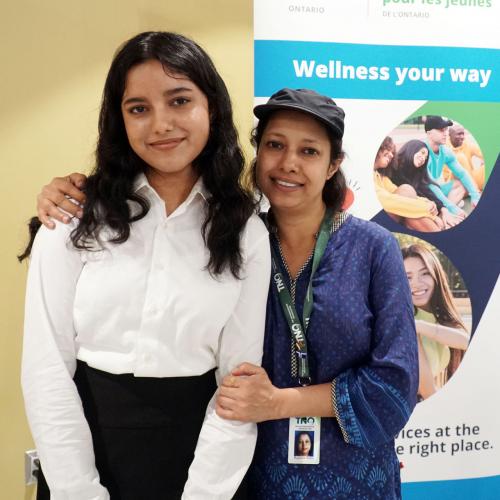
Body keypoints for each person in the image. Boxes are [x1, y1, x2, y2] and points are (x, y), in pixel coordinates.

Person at [34, 89, 419, 499]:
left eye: (309, 151)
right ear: (257, 154)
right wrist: (71, 190)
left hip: (353, 474)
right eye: (274, 145)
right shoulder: (232, 238)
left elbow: (395, 385)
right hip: (255, 473)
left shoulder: (373, 249)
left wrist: (279, 403)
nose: (288, 163)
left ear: (333, 165)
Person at [20, 31, 271, 500]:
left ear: (211, 107)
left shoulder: (243, 231)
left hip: (201, 460)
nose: (161, 124)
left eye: (179, 101)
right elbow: (46, 369)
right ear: (120, 119)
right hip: (82, 453)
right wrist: (79, 491)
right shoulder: (73, 218)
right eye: (138, 108)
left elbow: (238, 384)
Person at [401, 244, 469, 400]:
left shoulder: (434, 318)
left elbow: (465, 340)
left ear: (436, 275)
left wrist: (420, 326)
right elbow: (426, 389)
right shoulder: (401, 318)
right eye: (407, 277)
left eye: (424, 273)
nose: (416, 283)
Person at [373, 136, 444, 231]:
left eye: (392, 152)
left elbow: (394, 190)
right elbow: (387, 200)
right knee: (406, 193)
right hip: (378, 219)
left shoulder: (381, 177)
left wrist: (427, 202)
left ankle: (435, 231)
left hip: (394, 215)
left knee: (407, 191)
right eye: (388, 150)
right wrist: (429, 212)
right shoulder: (370, 175)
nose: (391, 155)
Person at [389, 139, 463, 229]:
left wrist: (444, 209)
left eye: (425, 157)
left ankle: (445, 216)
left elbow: (426, 190)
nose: (423, 158)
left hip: (412, 210)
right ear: (412, 148)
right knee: (408, 190)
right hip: (396, 211)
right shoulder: (392, 165)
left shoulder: (415, 173)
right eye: (422, 153)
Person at [424, 115, 481, 215]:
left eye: (446, 130)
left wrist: (475, 195)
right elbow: (430, 185)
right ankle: (445, 211)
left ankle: (443, 213)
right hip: (420, 194)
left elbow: (462, 174)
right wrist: (452, 208)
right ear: (429, 134)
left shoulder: (445, 151)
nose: (445, 134)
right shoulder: (422, 151)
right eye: (441, 130)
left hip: (434, 190)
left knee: (460, 184)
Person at [447, 123, 485, 190]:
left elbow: (482, 154)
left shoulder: (467, 145)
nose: (462, 137)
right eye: (459, 134)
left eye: (463, 134)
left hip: (471, 180)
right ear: (450, 135)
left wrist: (483, 161)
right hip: (455, 183)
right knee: (460, 157)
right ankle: (472, 189)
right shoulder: (445, 148)